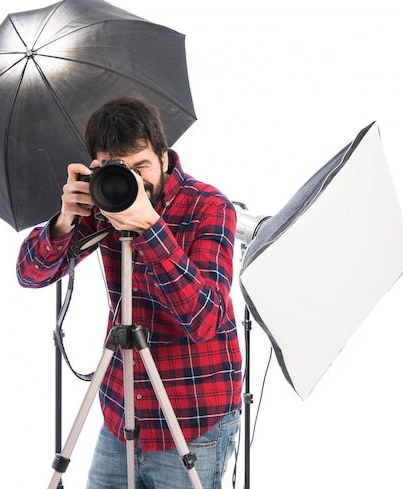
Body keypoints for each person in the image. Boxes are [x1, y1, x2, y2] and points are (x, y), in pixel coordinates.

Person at [16, 97, 242, 489]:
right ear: (99, 169)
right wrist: (66, 220)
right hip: (123, 412)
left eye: (142, 167)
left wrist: (151, 229)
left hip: (191, 419)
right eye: (120, 171)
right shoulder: (106, 201)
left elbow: (205, 320)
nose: (134, 183)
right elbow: (30, 274)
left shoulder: (208, 206)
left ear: (165, 159)